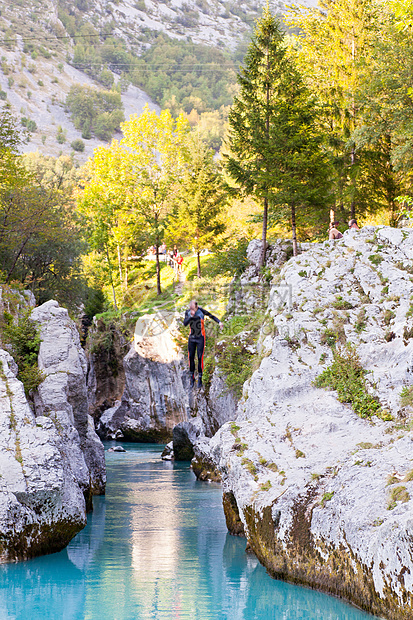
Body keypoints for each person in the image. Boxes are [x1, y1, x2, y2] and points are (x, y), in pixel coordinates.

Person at [184, 300, 223, 388]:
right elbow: (185, 323)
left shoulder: (201, 311)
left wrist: (219, 322)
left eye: (192, 308)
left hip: (200, 338)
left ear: (196, 307)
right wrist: (191, 316)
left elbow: (211, 316)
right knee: (190, 357)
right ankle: (192, 377)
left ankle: (200, 378)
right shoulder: (188, 312)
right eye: (190, 308)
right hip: (191, 338)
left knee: (199, 357)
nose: (191, 310)